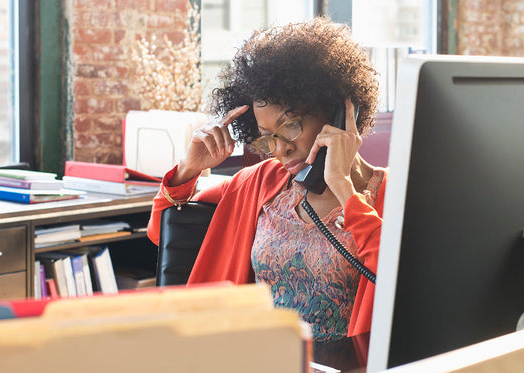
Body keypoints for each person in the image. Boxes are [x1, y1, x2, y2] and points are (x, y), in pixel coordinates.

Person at [147, 17, 385, 341]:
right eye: (266, 137)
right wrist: (189, 168)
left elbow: (401, 285)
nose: (281, 149)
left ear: (338, 112)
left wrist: (342, 185)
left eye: (290, 125)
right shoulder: (260, 183)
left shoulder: (394, 196)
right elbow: (164, 231)